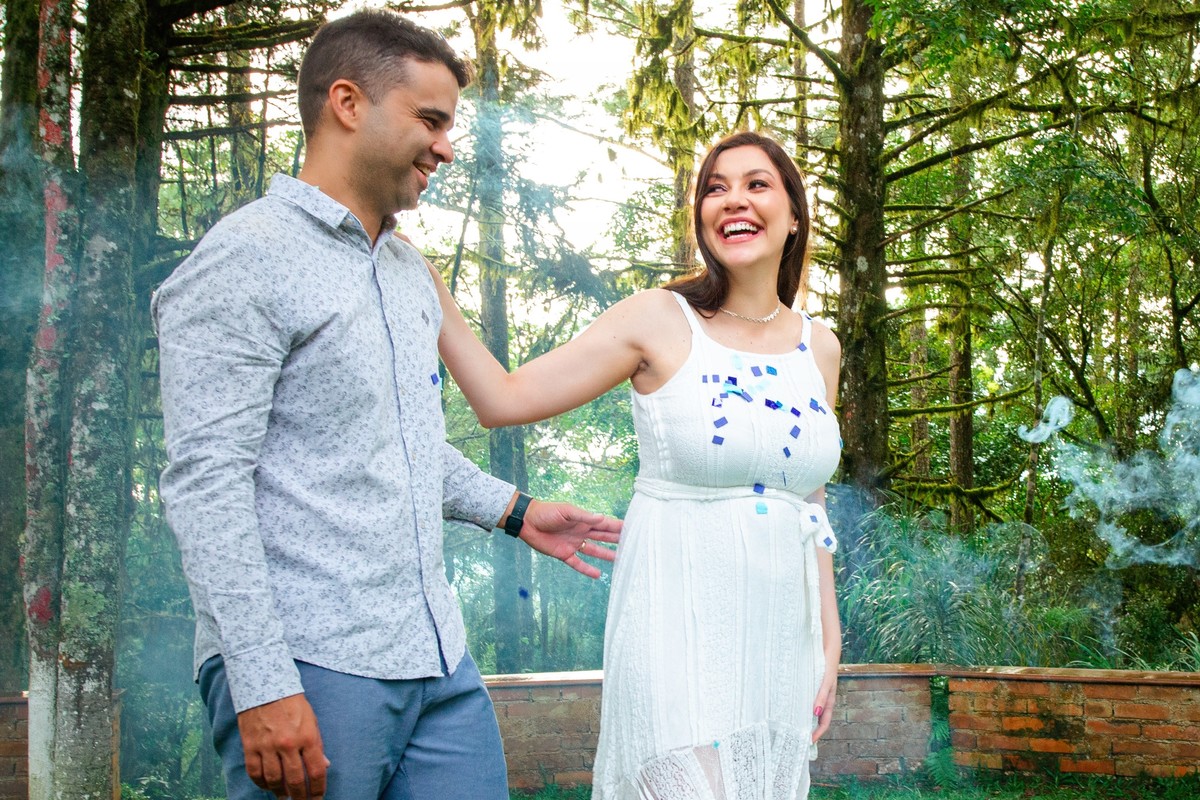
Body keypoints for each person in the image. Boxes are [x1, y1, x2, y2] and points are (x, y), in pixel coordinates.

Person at [152, 11, 621, 800]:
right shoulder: (243, 258)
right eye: (430, 120)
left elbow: (396, 443)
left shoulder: (406, 273)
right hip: (310, 663)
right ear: (347, 103)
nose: (446, 147)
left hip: (437, 661)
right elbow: (206, 485)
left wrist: (516, 511)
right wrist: (261, 681)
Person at [431, 130, 843, 799]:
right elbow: (502, 399)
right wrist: (428, 285)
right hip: (676, 621)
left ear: (794, 215)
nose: (733, 200)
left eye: (756, 184)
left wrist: (829, 638)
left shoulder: (820, 347)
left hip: (777, 635)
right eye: (716, 188)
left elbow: (811, 502)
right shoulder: (659, 317)